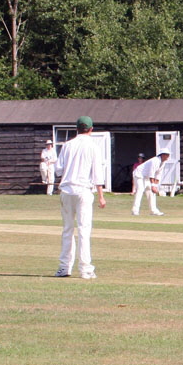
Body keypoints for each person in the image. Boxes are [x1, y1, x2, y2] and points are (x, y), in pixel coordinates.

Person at [54, 116, 107, 279]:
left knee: (67, 230)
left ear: (76, 129)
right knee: (84, 230)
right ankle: (85, 269)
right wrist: (101, 196)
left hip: (67, 190)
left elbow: (58, 170)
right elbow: (97, 174)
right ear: (91, 129)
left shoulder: (67, 145)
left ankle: (64, 267)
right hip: (83, 190)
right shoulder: (93, 146)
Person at [132, 150, 169, 216]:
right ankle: (135, 211)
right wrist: (153, 186)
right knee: (140, 190)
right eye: (167, 155)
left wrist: (155, 186)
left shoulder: (163, 162)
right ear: (162, 155)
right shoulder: (155, 160)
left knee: (151, 193)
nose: (168, 157)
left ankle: (153, 211)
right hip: (139, 174)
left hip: (146, 176)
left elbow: (158, 174)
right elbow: (151, 174)